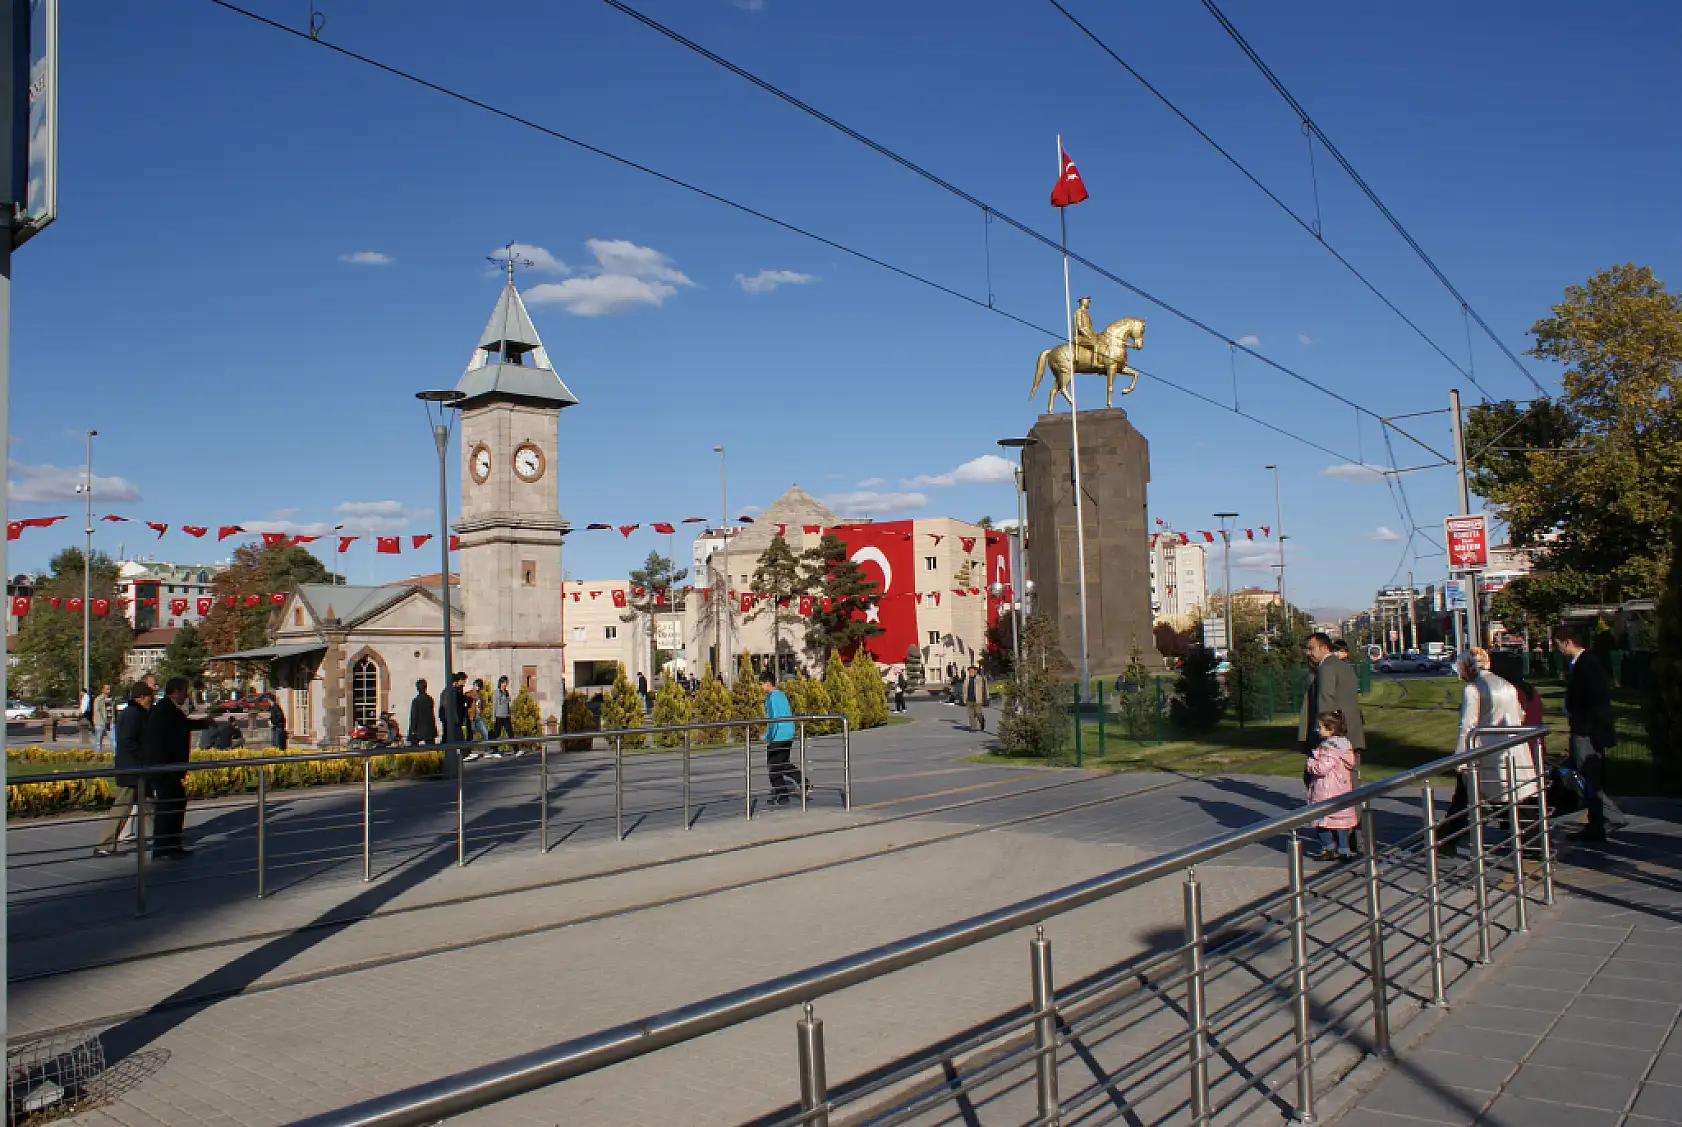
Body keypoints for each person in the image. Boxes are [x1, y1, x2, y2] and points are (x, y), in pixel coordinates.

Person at [1437, 649, 1528, 858]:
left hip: (1481, 753)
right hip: (1510, 751)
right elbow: (1519, 715)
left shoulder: (1473, 689)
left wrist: (1460, 757)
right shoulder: (1505, 685)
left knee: (1466, 797)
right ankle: (1530, 839)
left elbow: (1467, 726)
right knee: (1509, 797)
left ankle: (1447, 840)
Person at [1555, 623, 1620, 843]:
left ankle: (1609, 816)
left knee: (1587, 776)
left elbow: (1590, 700)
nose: (1558, 649)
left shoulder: (1586, 665)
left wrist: (1574, 711)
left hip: (1587, 730)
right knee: (1579, 774)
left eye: (1558, 643)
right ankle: (1597, 822)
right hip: (1587, 728)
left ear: (1567, 642)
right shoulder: (1586, 663)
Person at [142, 676, 209, 859]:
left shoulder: (167, 708)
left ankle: (170, 844)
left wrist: (205, 723)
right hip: (166, 768)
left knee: (174, 803)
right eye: (184, 691)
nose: (186, 695)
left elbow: (183, 725)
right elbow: (179, 728)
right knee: (168, 806)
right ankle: (165, 846)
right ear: (176, 691)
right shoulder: (166, 709)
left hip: (168, 767)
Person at [94, 681, 155, 856]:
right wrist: (144, 758)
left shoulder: (136, 713)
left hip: (137, 768)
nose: (151, 701)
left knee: (148, 804)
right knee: (123, 806)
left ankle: (156, 838)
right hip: (132, 769)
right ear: (141, 698)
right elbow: (128, 741)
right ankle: (104, 844)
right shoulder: (133, 714)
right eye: (149, 697)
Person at [1305, 710, 1358, 860]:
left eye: (1320, 727)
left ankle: (1328, 846)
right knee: (1341, 822)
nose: (1317, 730)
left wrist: (1311, 764)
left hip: (1326, 790)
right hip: (1340, 790)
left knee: (1320, 819)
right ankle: (1343, 848)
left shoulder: (1329, 749)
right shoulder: (1344, 746)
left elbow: (1322, 768)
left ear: (1331, 729)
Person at [760, 671, 803, 805]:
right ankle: (803, 782)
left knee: (773, 767)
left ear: (767, 684)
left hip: (778, 736)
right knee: (783, 763)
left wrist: (769, 738)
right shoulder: (782, 695)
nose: (761, 687)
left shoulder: (770, 698)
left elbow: (773, 719)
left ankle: (782, 796)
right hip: (788, 733)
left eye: (761, 684)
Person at [439, 672, 470, 746]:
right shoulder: (451, 692)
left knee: (448, 737)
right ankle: (464, 754)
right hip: (452, 719)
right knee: (457, 738)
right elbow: (446, 706)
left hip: (450, 719)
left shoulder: (451, 691)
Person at [408, 679, 438, 746]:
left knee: (413, 746)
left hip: (418, 729)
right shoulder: (430, 699)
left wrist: (412, 730)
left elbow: (414, 717)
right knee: (431, 746)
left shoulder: (416, 701)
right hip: (429, 728)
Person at [960, 664, 989, 732]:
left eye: (972, 671)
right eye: (969, 671)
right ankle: (973, 727)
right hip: (969, 700)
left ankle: (982, 721)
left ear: (976, 671)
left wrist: (987, 698)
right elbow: (964, 690)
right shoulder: (966, 679)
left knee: (978, 713)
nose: (971, 672)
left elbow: (985, 689)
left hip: (978, 699)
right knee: (971, 715)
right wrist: (964, 699)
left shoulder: (981, 678)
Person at [490, 676, 514, 743]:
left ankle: (516, 749)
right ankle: (494, 750)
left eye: (506, 683)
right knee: (497, 734)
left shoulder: (506, 692)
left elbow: (507, 705)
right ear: (501, 683)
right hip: (499, 716)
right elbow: (495, 705)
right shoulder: (497, 692)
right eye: (504, 682)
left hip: (506, 716)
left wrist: (509, 714)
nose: (505, 684)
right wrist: (493, 718)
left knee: (510, 733)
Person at [92, 684, 113, 753]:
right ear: (103, 690)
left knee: (114, 741)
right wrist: (103, 721)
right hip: (100, 723)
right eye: (107, 689)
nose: (109, 690)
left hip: (110, 723)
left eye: (109, 689)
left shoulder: (110, 699)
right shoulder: (99, 699)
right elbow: (96, 710)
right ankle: (98, 756)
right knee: (98, 742)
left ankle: (117, 757)